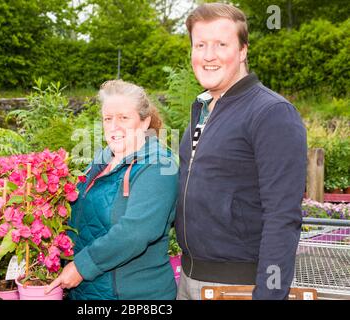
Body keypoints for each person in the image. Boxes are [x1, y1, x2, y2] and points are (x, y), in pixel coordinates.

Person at [175, 3, 307, 300]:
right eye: (200, 45)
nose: (208, 55)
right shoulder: (203, 110)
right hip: (188, 280)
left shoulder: (272, 113)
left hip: (238, 287)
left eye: (221, 44)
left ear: (243, 50)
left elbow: (282, 217)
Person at [45, 79, 179, 299]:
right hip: (90, 292)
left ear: (145, 123)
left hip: (133, 295)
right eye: (108, 119)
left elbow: (135, 232)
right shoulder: (101, 160)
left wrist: (81, 266)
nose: (114, 126)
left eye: (123, 118)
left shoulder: (158, 167)